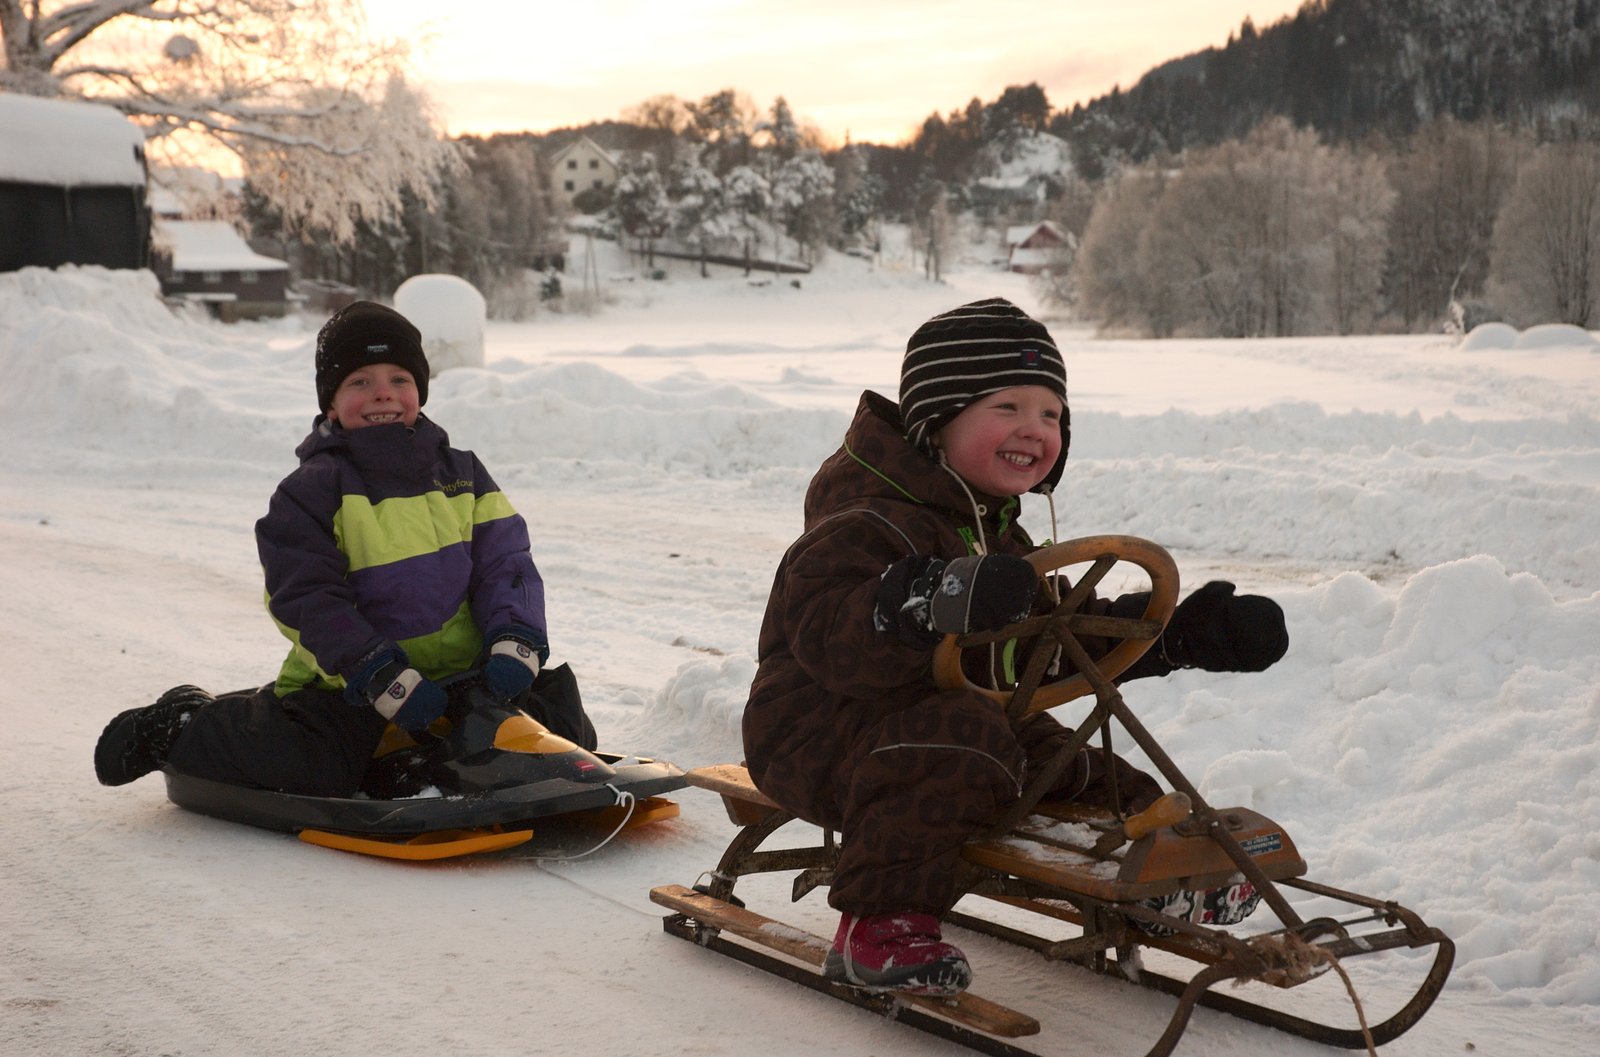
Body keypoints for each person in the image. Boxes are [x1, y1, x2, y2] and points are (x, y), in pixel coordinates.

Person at [742, 297, 1288, 996]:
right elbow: (830, 636)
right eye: (1008, 407)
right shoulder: (863, 519)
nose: (1035, 429)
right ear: (937, 419)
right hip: (818, 735)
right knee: (965, 740)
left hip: (967, 727)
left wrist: (1181, 635)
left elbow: (1053, 641)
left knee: (1088, 768)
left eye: (1052, 414)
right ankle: (878, 927)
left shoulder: (994, 528)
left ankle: (1158, 885)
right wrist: (928, 599)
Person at [94, 301, 589, 797]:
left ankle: (421, 755)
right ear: (330, 403)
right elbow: (305, 596)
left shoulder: (462, 474)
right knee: (315, 764)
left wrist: (515, 638)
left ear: (419, 390)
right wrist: (376, 672)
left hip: (462, 680)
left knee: (565, 728)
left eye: (399, 378)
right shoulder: (310, 491)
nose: (383, 393)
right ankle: (183, 724)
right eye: (360, 381)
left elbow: (506, 563)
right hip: (351, 687)